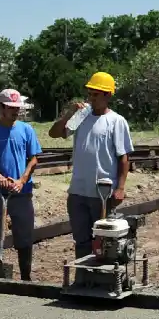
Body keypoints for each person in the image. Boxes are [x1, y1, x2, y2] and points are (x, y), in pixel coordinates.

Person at [48, 71, 133, 258]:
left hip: (102, 193)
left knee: (103, 241)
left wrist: (120, 188)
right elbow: (54, 133)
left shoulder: (116, 121)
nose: (91, 98)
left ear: (108, 95)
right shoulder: (81, 117)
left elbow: (124, 157)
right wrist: (69, 114)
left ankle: (100, 274)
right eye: (90, 94)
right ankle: (82, 273)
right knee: (81, 241)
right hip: (78, 191)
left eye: (95, 94)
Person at [0, 89, 42, 280]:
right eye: (11, 108)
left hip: (22, 192)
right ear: (1, 107)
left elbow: (34, 159)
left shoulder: (26, 130)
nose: (15, 111)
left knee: (25, 235)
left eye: (17, 108)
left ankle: (26, 277)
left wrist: (22, 180)